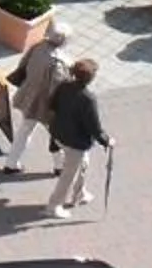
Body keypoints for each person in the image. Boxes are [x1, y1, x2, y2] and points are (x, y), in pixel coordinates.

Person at [45, 56, 109, 219]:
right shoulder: (88, 99)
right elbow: (94, 127)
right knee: (68, 175)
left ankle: (79, 194)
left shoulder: (64, 86)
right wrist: (107, 141)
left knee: (82, 164)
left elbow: (52, 105)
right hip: (76, 142)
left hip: (59, 134)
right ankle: (54, 206)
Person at [3, 21, 71, 172]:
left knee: (25, 129)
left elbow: (23, 65)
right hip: (45, 105)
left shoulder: (38, 46)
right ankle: (60, 166)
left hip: (29, 95)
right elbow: (57, 88)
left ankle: (11, 163)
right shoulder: (59, 62)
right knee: (57, 134)